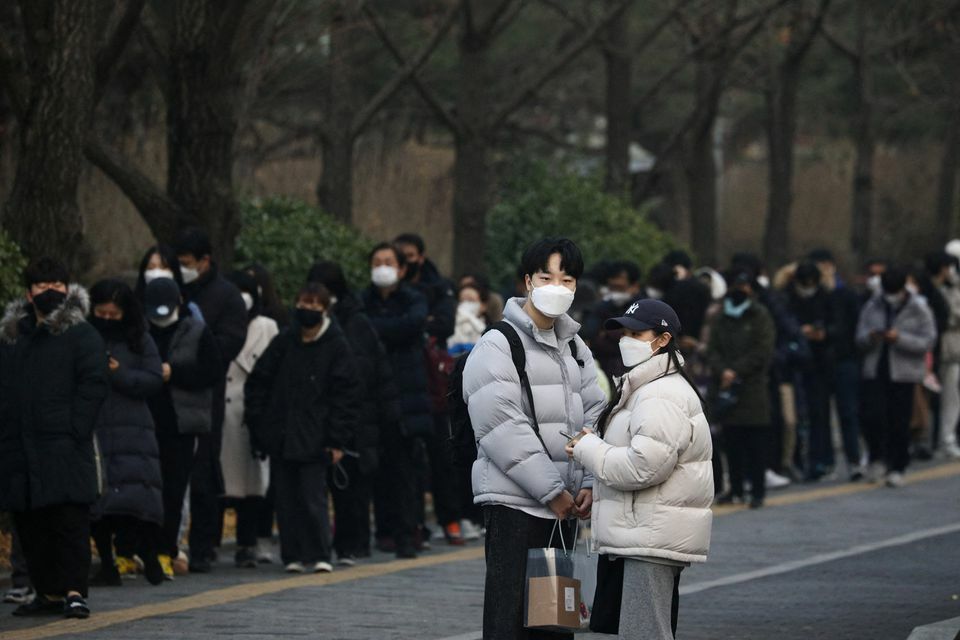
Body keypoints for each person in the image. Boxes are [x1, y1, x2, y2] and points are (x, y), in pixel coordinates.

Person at [462, 237, 606, 640]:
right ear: (527, 280)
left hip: (564, 508)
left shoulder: (575, 345)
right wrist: (552, 491)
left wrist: (591, 483)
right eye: (546, 276)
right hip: (515, 504)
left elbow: (596, 412)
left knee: (556, 620)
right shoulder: (498, 343)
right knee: (509, 620)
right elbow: (500, 426)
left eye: (567, 279)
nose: (556, 287)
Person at [566, 299, 713, 639]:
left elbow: (644, 467)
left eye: (637, 333)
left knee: (645, 631)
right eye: (625, 333)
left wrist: (589, 449)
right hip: (640, 531)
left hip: (649, 534)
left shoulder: (660, 394)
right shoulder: (644, 386)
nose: (626, 340)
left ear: (662, 340)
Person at [0, 258, 109, 619]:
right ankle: (46, 591)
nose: (49, 292)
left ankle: (75, 591)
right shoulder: (12, 337)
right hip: (21, 446)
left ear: (67, 288)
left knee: (69, 522)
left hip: (65, 444)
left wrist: (77, 427)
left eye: (56, 284)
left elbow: (94, 383)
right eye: (41, 285)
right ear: (28, 292)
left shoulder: (82, 334)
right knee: (31, 525)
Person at [245, 283, 362, 574]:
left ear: (325, 310)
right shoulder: (285, 341)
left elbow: (345, 396)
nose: (307, 311)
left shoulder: (336, 346)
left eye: (314, 306)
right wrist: (261, 424)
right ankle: (292, 553)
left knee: (313, 498)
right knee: (285, 500)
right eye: (303, 304)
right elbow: (260, 380)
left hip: (317, 436)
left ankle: (319, 551)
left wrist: (337, 440)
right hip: (282, 434)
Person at [308, 260, 402, 564]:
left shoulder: (355, 323)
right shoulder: (314, 323)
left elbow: (373, 372)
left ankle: (353, 542)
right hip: (322, 414)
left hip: (358, 416)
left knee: (353, 485)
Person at [174, 228, 248, 572]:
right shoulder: (172, 290)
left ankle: (203, 544)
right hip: (168, 392)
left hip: (206, 394)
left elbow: (227, 346)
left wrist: (193, 354)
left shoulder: (226, 297)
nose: (182, 268)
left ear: (205, 261)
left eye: (187, 263)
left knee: (204, 469)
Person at [87, 279, 166, 587]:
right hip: (97, 423)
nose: (106, 319)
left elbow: (153, 378)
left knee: (138, 494)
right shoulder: (86, 335)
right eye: (100, 312)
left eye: (113, 314)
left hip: (133, 427)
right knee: (100, 498)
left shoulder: (140, 339)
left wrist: (118, 373)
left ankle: (146, 550)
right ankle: (107, 562)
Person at [144, 278, 222, 579]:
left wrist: (174, 373)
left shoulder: (196, 331)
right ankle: (142, 548)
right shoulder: (142, 331)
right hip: (146, 421)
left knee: (174, 489)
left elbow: (211, 371)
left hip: (182, 424)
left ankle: (167, 548)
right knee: (146, 487)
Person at [362, 242, 432, 558]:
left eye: (388, 261)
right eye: (376, 261)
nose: (382, 267)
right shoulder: (362, 300)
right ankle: (382, 531)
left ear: (402, 269)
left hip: (406, 398)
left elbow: (411, 326)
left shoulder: (414, 299)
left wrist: (379, 331)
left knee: (405, 470)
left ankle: (408, 532)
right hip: (372, 397)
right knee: (376, 469)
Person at [394, 232, 463, 545]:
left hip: (432, 382)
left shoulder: (438, 287)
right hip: (402, 380)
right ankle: (413, 523)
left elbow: (444, 323)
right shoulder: (394, 291)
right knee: (409, 461)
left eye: (409, 255)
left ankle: (450, 518)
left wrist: (412, 323)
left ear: (420, 256)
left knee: (440, 455)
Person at [856, 268, 937, 487]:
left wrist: (900, 339)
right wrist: (872, 337)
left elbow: (927, 341)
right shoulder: (873, 305)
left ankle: (898, 465)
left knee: (899, 420)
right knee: (873, 417)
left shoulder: (918, 308)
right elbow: (859, 336)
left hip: (904, 372)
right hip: (875, 369)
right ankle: (876, 459)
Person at [220, 271, 280, 568]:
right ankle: (208, 544)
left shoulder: (266, 326)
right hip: (223, 411)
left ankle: (249, 541)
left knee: (253, 484)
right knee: (220, 483)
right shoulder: (219, 322)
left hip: (253, 413)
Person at [707, 270, 776, 508]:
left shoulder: (760, 316)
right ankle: (734, 489)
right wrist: (722, 370)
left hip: (751, 388)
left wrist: (735, 371)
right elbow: (712, 349)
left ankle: (757, 491)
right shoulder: (721, 317)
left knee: (755, 443)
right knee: (731, 441)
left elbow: (763, 351)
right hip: (725, 388)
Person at [808, 249, 866, 480]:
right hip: (820, 363)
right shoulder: (816, 296)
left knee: (848, 413)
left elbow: (852, 326)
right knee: (820, 415)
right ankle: (826, 462)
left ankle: (854, 460)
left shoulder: (847, 295)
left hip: (844, 360)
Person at [785, 261, 835, 480]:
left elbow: (836, 325)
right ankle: (801, 460)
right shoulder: (788, 298)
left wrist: (822, 333)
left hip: (820, 363)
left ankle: (820, 459)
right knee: (798, 416)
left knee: (819, 414)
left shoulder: (826, 298)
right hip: (796, 363)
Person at [581, 260, 644, 380]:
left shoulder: (643, 308)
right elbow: (590, 335)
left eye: (620, 288)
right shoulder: (602, 306)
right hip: (604, 371)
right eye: (612, 288)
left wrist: (607, 334)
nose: (615, 293)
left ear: (634, 286)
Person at [927, 251, 960, 459]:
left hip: (951, 350)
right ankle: (938, 439)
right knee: (943, 397)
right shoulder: (934, 290)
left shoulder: (953, 288)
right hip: (941, 349)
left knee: (951, 396)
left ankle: (945, 437)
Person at [448, 283, 489, 357]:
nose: (466, 304)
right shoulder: (450, 324)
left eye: (471, 301)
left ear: (483, 306)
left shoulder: (488, 330)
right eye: (462, 301)